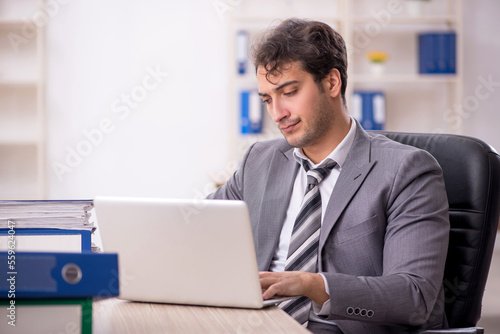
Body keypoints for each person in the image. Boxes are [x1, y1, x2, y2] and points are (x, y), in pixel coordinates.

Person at [208, 18, 450, 334]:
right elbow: (200, 233)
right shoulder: (259, 161)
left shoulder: (407, 170)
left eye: (289, 92)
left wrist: (310, 284)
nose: (277, 113)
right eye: (267, 99)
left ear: (332, 83)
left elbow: (413, 296)